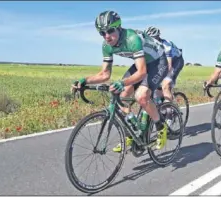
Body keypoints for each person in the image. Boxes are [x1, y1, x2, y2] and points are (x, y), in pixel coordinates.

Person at [71, 10, 169, 152]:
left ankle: (161, 126)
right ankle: (132, 133)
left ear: (119, 27)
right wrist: (84, 80)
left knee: (141, 96)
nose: (107, 36)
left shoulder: (131, 39)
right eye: (102, 33)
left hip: (158, 61)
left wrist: (123, 82)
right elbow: (105, 74)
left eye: (110, 31)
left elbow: (142, 72)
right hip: (142, 62)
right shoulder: (107, 46)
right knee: (122, 96)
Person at [144, 26, 184, 104]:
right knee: (155, 88)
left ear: (158, 37)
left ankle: (169, 110)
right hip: (163, 62)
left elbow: (169, 65)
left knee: (165, 85)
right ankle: (160, 107)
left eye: (152, 39)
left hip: (176, 62)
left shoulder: (166, 45)